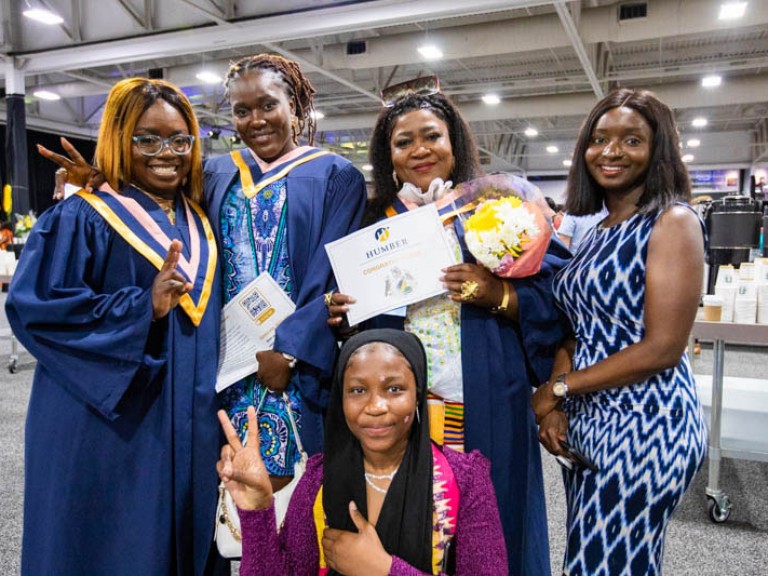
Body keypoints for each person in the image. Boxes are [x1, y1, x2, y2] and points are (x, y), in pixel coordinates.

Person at [327, 91, 569, 576]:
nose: (419, 149)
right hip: (401, 406)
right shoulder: (372, 223)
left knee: (494, 527)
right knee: (408, 522)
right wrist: (338, 312)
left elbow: (558, 297)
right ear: (388, 156)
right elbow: (353, 309)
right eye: (403, 142)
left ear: (453, 142)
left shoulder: (497, 209)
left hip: (485, 395)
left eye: (431, 136)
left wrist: (499, 293)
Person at [9, 78, 227, 575]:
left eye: (179, 140)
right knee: (111, 545)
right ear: (119, 139)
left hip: (189, 421)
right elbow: (36, 308)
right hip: (110, 423)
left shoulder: (199, 217)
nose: (165, 153)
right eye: (146, 139)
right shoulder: (80, 217)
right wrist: (141, 307)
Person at [533, 88, 707, 575]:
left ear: (658, 151)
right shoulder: (600, 229)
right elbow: (576, 326)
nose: (610, 151)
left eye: (631, 140)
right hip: (592, 421)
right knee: (593, 559)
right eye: (599, 138)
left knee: (609, 565)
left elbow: (663, 348)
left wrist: (558, 389)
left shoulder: (672, 222)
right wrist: (560, 404)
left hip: (648, 422)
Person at [217, 328, 508, 575]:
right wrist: (256, 509)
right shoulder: (319, 482)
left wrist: (383, 569)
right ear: (340, 400)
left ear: (417, 395)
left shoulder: (466, 479)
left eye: (394, 389)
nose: (375, 407)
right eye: (357, 390)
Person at [204, 54, 367, 489]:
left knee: (297, 496)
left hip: (293, 365)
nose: (255, 120)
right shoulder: (216, 172)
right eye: (242, 111)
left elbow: (331, 272)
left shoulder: (336, 175)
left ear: (294, 106)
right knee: (229, 496)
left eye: (268, 105)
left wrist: (289, 351)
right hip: (226, 361)